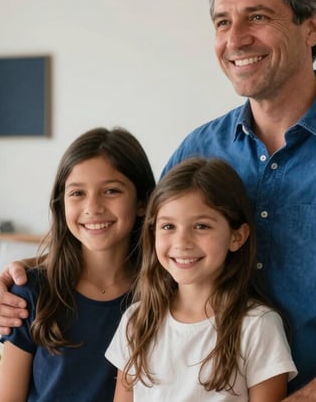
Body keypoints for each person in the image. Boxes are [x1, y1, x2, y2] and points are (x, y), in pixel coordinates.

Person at [0, 0, 316, 402]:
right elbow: (144, 250)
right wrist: (27, 274)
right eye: (223, 22)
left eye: (258, 17)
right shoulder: (197, 150)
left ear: (312, 25)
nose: (236, 38)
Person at [105, 157, 297, 401]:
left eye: (201, 226)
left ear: (237, 237)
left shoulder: (257, 325)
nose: (182, 242)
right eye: (168, 227)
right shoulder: (137, 320)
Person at [0, 127, 156, 402]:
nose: (93, 207)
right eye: (77, 193)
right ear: (61, 203)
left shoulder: (158, 294)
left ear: (142, 202)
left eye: (111, 190)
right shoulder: (31, 292)